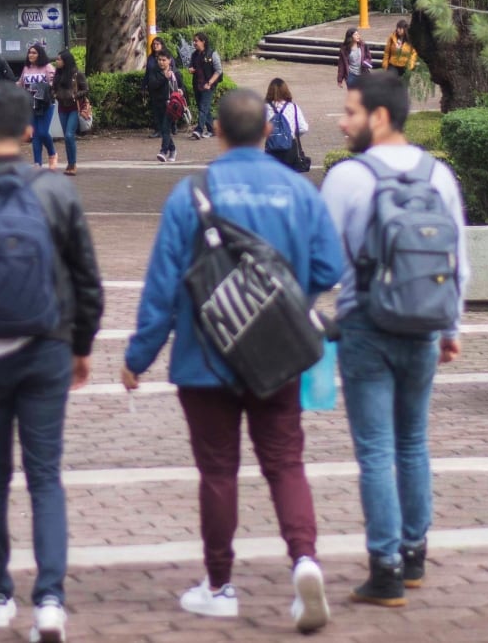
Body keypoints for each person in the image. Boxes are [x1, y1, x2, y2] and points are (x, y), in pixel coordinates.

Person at [121, 89, 342, 632]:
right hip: (277, 353)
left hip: (204, 357)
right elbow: (329, 266)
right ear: (269, 133)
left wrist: (138, 357)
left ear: (218, 132)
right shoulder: (298, 190)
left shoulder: (190, 195)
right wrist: (286, 304)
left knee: (218, 471)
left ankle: (219, 585)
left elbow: (162, 287)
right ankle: (305, 561)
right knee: (285, 462)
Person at [0, 84, 104, 642]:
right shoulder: (57, 193)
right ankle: (50, 600)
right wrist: (81, 345)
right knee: (45, 475)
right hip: (48, 346)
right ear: (30, 131)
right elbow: (87, 281)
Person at [320, 71, 468, 608]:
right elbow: (458, 263)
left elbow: (324, 260)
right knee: (413, 442)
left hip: (366, 327)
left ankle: (382, 569)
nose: (342, 121)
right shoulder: (440, 175)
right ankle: (414, 556)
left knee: (377, 449)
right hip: (425, 325)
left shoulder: (347, 178)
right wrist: (452, 328)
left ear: (378, 118)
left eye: (351, 112)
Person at [19, 44, 58, 169]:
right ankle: (37, 163)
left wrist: (46, 88)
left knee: (42, 132)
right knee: (35, 133)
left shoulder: (48, 67)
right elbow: (21, 83)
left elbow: (54, 83)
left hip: (46, 104)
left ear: (40, 54)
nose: (31, 55)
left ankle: (52, 153)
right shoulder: (26, 68)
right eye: (30, 52)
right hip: (31, 105)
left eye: (34, 53)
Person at [50, 49, 87, 177]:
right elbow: (53, 88)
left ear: (66, 61)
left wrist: (75, 95)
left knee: (69, 135)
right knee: (67, 137)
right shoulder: (58, 74)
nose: (57, 61)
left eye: (59, 59)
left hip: (74, 108)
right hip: (62, 108)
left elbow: (86, 89)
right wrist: (54, 94)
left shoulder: (76, 74)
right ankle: (69, 163)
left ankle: (73, 164)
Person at [263, 78, 312, 171]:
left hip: (271, 147)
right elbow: (303, 127)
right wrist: (292, 134)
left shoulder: (265, 108)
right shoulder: (293, 107)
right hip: (290, 147)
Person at [147, 53, 182, 164]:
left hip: (172, 106)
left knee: (166, 127)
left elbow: (182, 87)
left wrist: (181, 91)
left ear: (169, 60)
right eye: (159, 60)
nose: (161, 62)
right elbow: (152, 85)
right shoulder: (154, 72)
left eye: (164, 60)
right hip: (159, 104)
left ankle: (163, 151)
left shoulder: (175, 73)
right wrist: (164, 78)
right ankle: (172, 149)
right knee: (163, 129)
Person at [188, 32, 223, 141]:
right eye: (194, 41)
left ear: (203, 41)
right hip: (197, 84)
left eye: (196, 41)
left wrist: (210, 83)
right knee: (203, 107)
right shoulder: (194, 54)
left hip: (208, 85)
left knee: (203, 107)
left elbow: (218, 70)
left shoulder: (212, 53)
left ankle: (199, 130)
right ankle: (212, 129)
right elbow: (191, 65)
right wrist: (191, 69)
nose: (194, 43)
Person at [142, 38, 168, 139]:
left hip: (164, 86)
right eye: (154, 44)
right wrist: (143, 85)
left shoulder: (167, 56)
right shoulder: (150, 58)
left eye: (157, 44)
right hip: (153, 86)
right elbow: (147, 73)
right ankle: (158, 129)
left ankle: (168, 128)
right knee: (156, 109)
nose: (155, 46)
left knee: (165, 108)